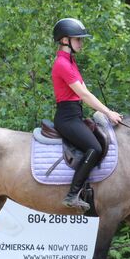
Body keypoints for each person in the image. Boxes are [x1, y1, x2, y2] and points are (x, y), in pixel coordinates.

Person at [51, 18, 123, 212]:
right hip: (67, 118)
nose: (81, 43)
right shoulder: (62, 64)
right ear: (65, 40)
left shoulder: (71, 62)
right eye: (78, 39)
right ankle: (72, 194)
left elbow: (84, 91)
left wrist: (104, 111)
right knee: (94, 147)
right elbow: (84, 94)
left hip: (75, 115)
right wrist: (107, 112)